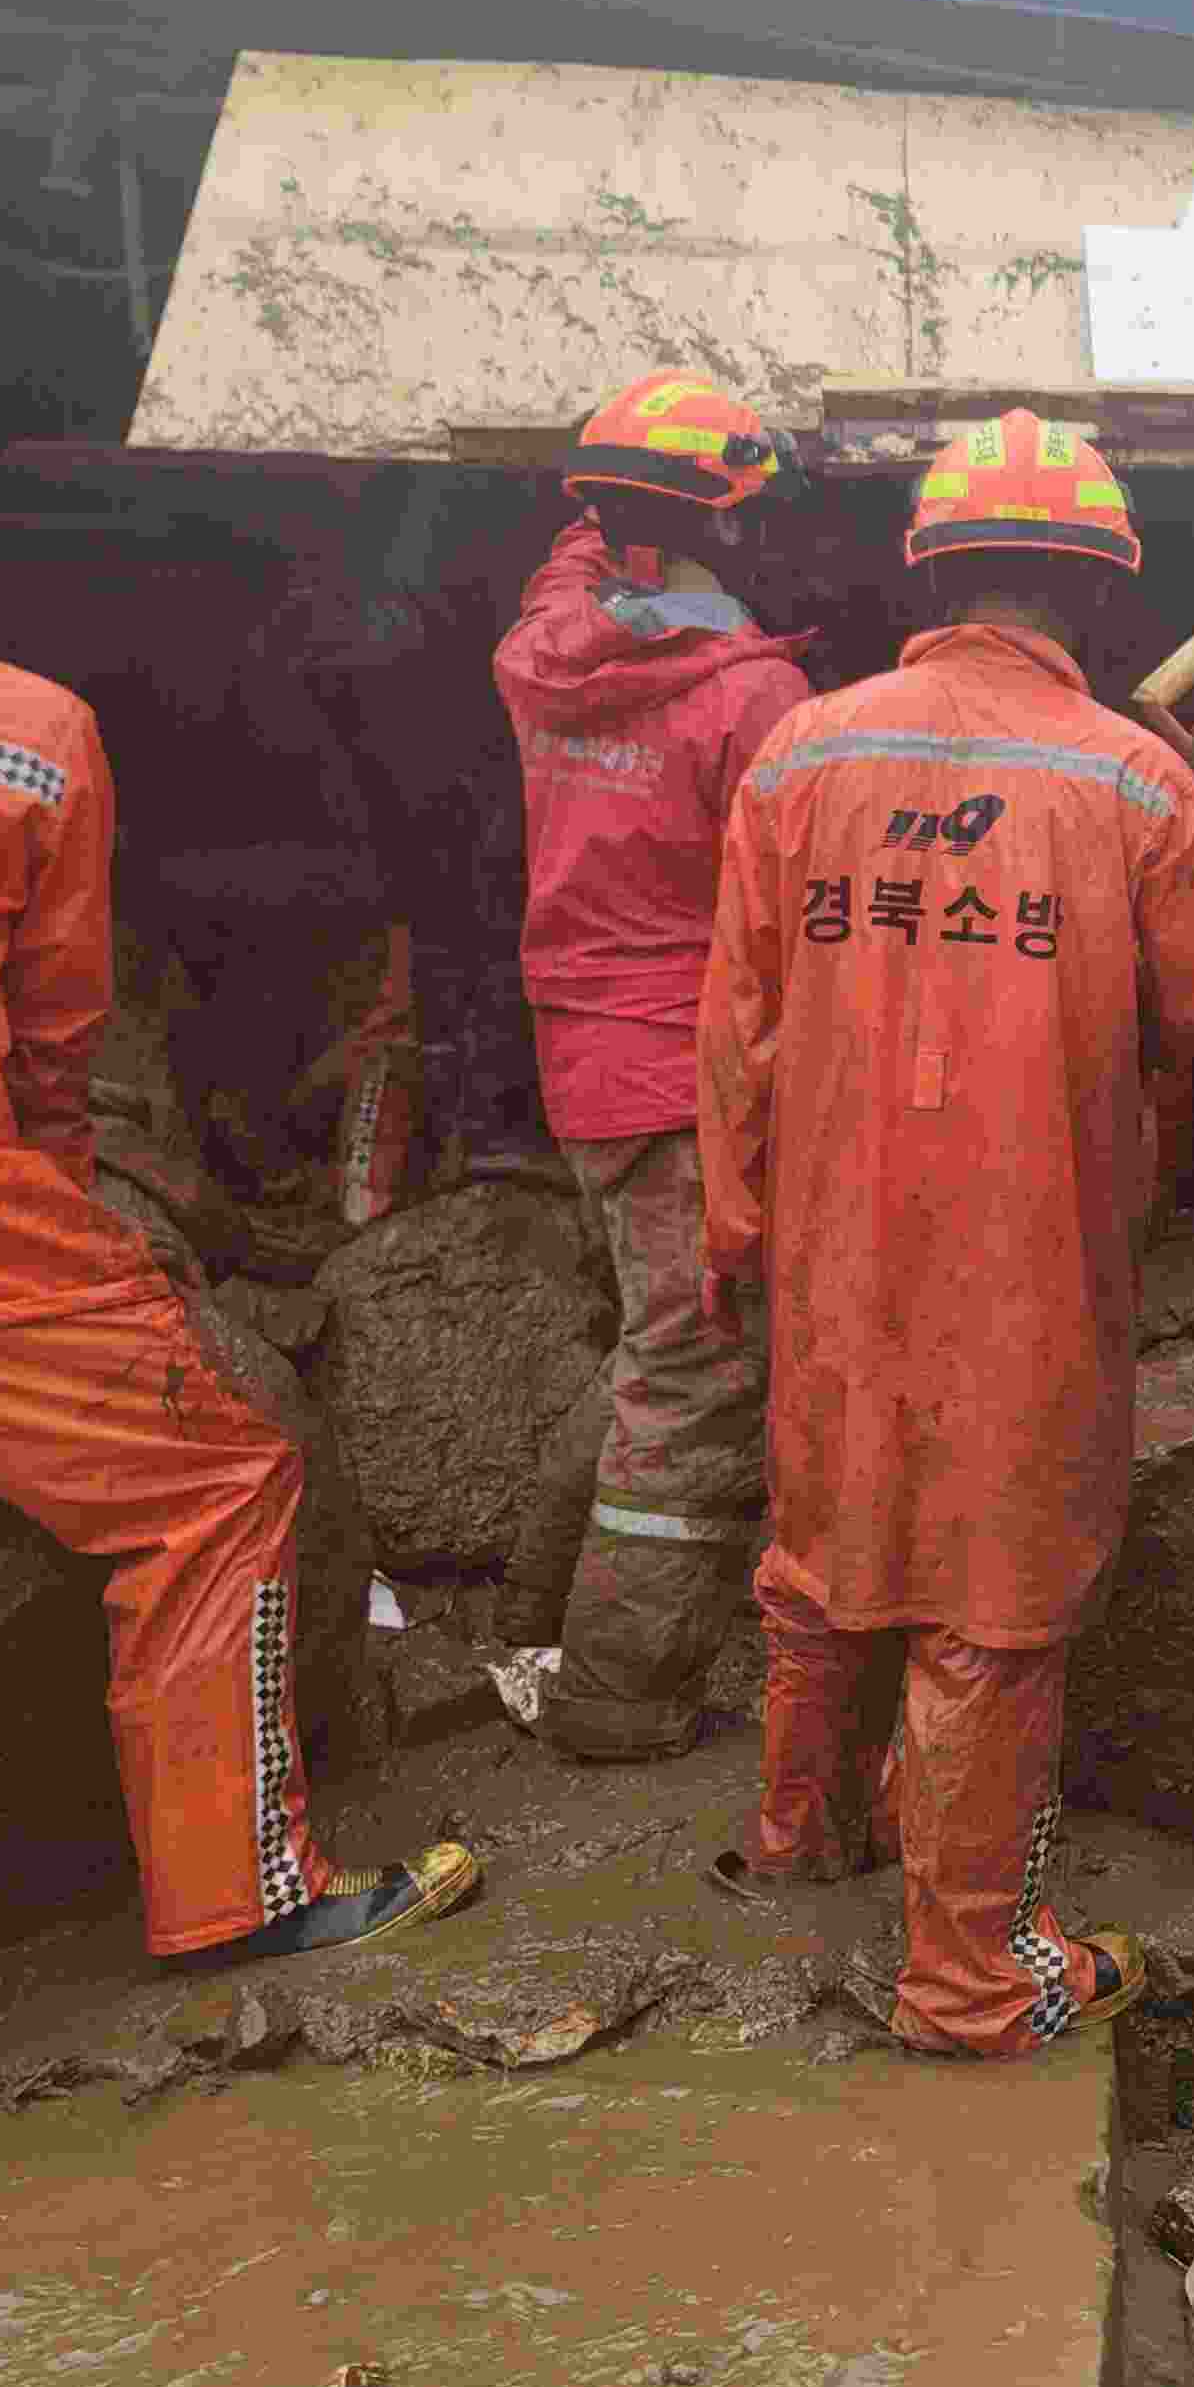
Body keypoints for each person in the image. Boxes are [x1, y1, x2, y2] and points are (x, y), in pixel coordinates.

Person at [0, 419, 475, 2163]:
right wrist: (67, 1232)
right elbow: (55, 1034)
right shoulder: (20, 728)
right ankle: (239, 1890)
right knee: (219, 1480)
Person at [697, 409, 1194, 2055]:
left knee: (828, 1535)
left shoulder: (801, 752)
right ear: (1092, 596)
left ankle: (796, 1833)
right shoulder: (1134, 777)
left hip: (827, 1229)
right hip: (1028, 1240)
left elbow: (735, 1010)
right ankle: (964, 1974)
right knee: (995, 1595)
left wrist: (732, 1213)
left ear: (933, 571)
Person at [488, 373, 820, 1755]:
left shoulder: (546, 651)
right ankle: (616, 1692)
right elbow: (796, 919)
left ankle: (529, 1611)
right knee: (693, 1377)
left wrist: (611, 503)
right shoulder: (754, 697)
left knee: (653, 1342)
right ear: (728, 526)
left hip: (581, 1062)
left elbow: (587, 548)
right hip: (690, 1076)